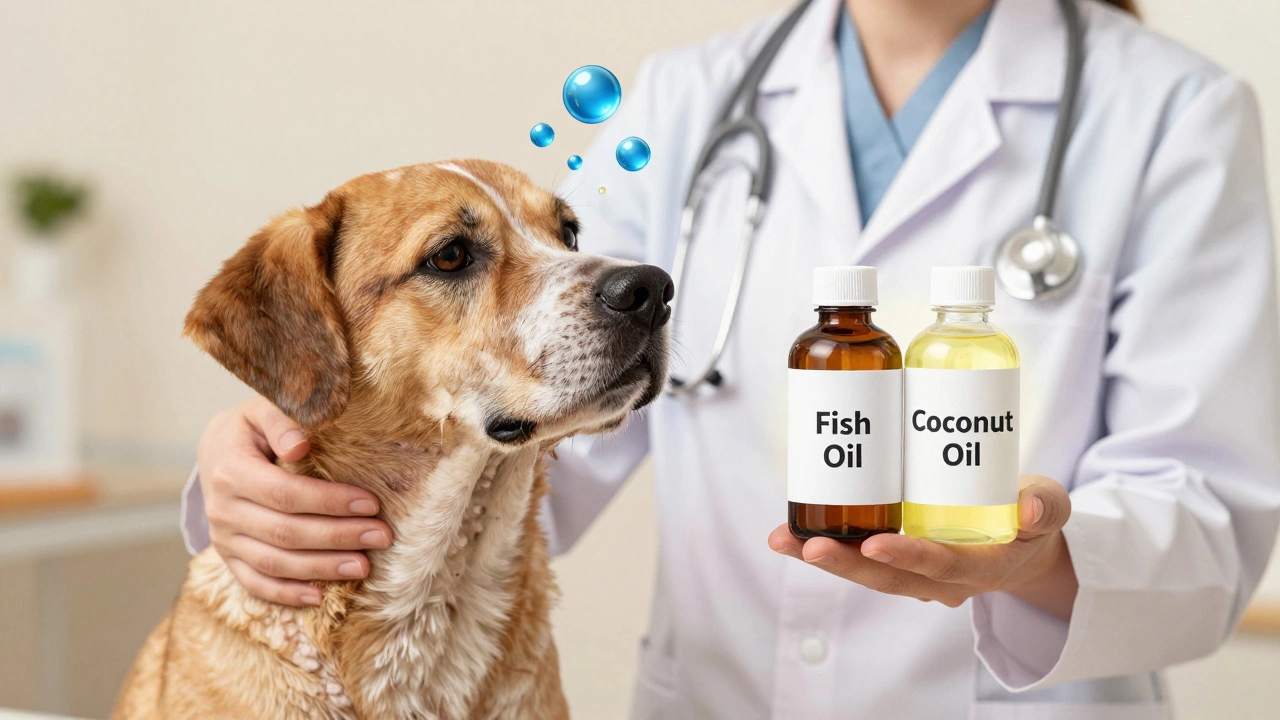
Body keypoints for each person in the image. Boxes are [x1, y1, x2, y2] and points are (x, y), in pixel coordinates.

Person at [182, 0, 1280, 717]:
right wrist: (268, 474)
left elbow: (1207, 516)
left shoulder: (1173, 115)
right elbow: (524, 410)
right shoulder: (686, 100)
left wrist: (1030, 560)